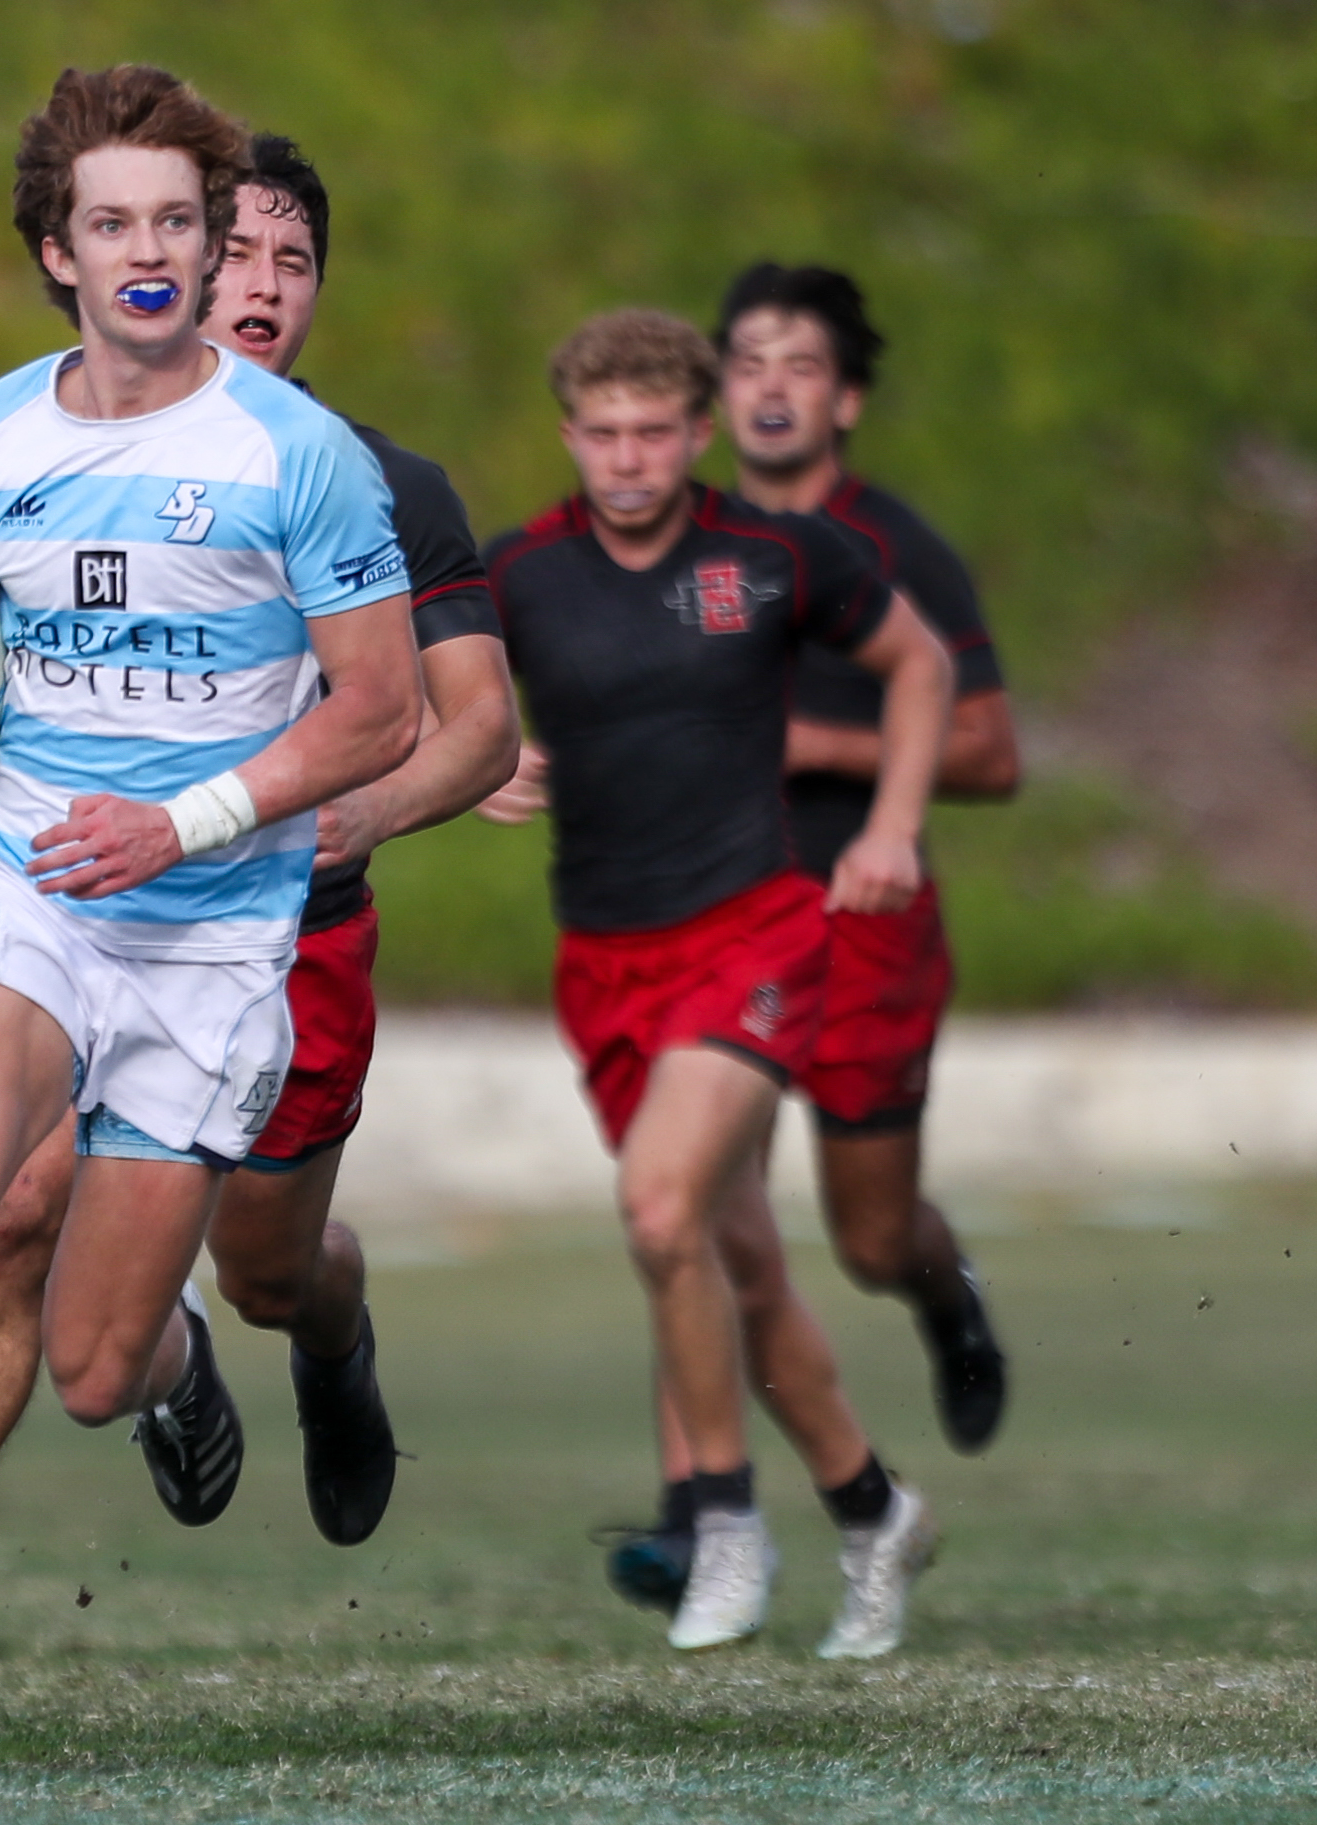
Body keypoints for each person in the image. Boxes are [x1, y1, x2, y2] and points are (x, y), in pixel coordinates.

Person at [0, 131, 517, 1697]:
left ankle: (309, 1345)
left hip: (266, 930)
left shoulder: (357, 475)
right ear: (77, 253)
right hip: (50, 895)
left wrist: (326, 818)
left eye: (283, 259)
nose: (247, 280)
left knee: (235, 1288)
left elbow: (446, 723)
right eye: (225, 245)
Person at [482, 309, 953, 1658]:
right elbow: (421, 701)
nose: (627, 459)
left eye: (652, 433)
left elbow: (919, 665)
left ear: (697, 434)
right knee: (733, 1256)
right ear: (570, 437)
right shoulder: (520, 573)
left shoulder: (776, 553)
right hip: (602, 959)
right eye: (602, 435)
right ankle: (874, 1510)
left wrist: (890, 828)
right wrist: (475, 760)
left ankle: (725, 1522)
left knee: (658, 1206)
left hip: (754, 935)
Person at [591, 266, 1020, 1614]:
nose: (772, 386)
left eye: (801, 364)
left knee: (869, 1237)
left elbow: (990, 751)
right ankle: (697, 1511)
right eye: (749, 362)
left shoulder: (893, 550)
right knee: (693, 1204)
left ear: (844, 399)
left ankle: (942, 1291)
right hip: (715, 924)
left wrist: (817, 744)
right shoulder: (670, 546)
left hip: (863, 924)